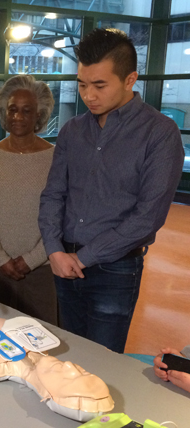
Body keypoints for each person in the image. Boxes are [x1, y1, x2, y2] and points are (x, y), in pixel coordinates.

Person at [39, 28, 185, 353]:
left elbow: (148, 217)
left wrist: (84, 257)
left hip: (115, 269)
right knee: (67, 355)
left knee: (102, 362)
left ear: (130, 79)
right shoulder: (72, 130)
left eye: (99, 85)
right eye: (82, 84)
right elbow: (53, 194)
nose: (88, 95)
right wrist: (54, 250)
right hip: (63, 260)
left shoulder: (160, 134)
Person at [0, 75, 57, 325]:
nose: (18, 117)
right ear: (3, 112)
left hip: (40, 270)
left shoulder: (55, 158)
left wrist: (30, 260)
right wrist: (0, 259)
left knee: (41, 338)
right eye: (12, 109)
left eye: (26, 111)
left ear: (38, 115)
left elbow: (60, 215)